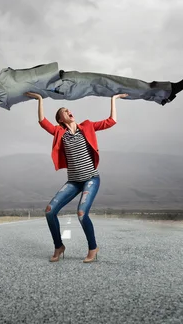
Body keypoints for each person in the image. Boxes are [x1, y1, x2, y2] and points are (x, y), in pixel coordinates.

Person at [25, 90, 127, 263]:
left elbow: (111, 121)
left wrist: (114, 99)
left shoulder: (87, 126)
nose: (68, 111)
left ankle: (93, 248)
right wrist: (39, 99)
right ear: (60, 119)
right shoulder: (59, 132)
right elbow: (42, 122)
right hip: (73, 182)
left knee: (81, 213)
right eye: (64, 111)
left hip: (91, 179)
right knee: (50, 211)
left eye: (68, 109)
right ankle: (59, 246)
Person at [0, 62, 183, 112]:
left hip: (63, 84)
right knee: (112, 84)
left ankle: (161, 95)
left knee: (112, 85)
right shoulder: (0, 94)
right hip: (63, 85)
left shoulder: (1, 94)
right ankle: (164, 91)